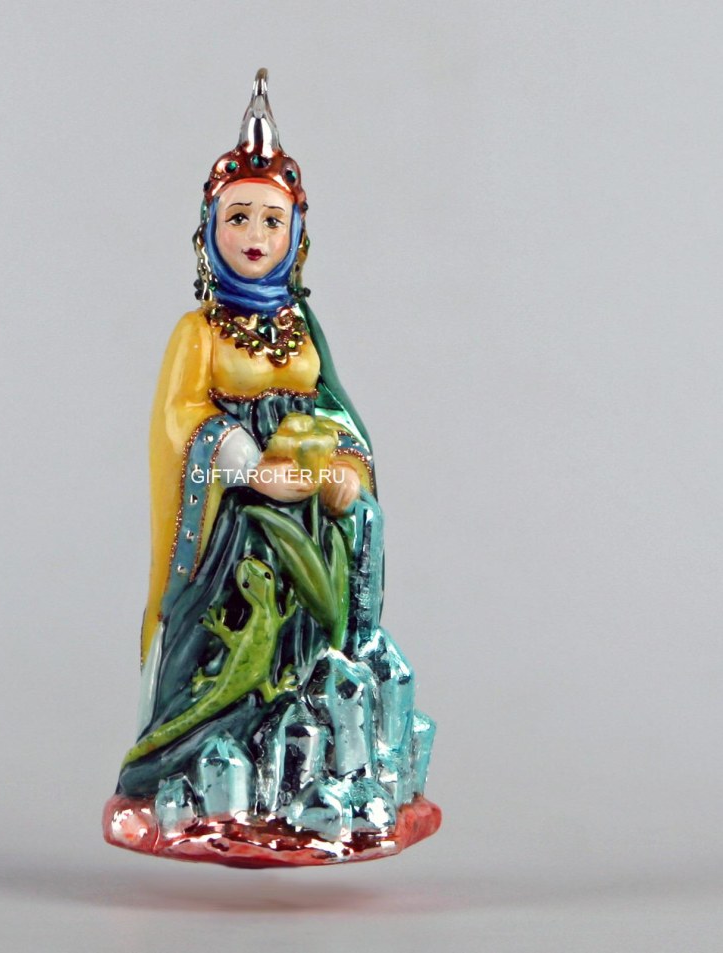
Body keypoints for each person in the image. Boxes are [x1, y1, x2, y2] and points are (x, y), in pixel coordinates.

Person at [104, 70, 439, 866]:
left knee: (324, 613)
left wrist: (343, 467)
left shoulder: (302, 327)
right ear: (208, 230)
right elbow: (182, 417)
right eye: (239, 217)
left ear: (297, 235)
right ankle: (201, 769)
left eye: (272, 219)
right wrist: (251, 468)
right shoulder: (198, 332)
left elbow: (335, 411)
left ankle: (309, 771)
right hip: (236, 522)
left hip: (310, 513)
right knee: (239, 621)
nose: (255, 234)